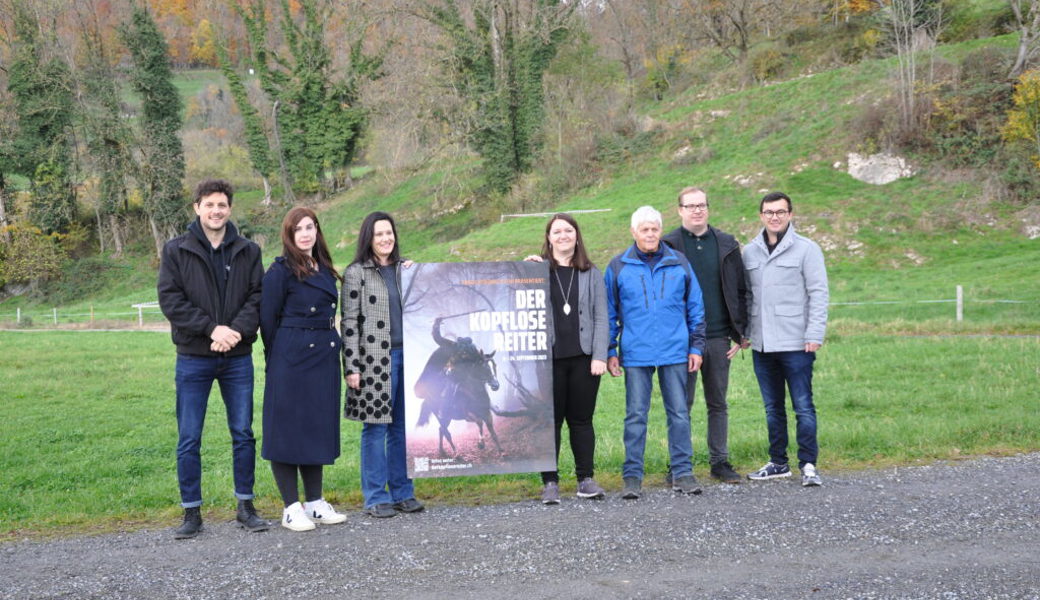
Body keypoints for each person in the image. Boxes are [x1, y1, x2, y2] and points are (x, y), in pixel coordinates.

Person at [157, 178, 268, 539]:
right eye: (209, 205)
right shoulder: (176, 250)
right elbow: (171, 301)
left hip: (237, 357)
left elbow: (258, 297)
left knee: (243, 433)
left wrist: (234, 330)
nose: (216, 211)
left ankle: (245, 506)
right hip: (194, 357)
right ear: (197, 208)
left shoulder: (248, 250)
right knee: (189, 437)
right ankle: (192, 513)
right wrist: (212, 330)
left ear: (230, 208)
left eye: (222, 205)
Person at [605, 206, 706, 499]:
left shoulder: (680, 263)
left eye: (655, 229)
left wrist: (696, 346)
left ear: (661, 231)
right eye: (644, 229)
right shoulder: (618, 266)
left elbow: (696, 307)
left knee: (679, 414)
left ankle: (683, 472)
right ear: (634, 232)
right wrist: (611, 349)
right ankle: (632, 476)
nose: (650, 234)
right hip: (636, 353)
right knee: (635, 415)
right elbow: (609, 312)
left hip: (676, 350)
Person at [260, 207, 348, 531]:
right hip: (291, 357)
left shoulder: (324, 268)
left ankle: (314, 503)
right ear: (289, 234)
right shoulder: (280, 271)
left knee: (315, 427)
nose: (305, 234)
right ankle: (290, 507)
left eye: (310, 227)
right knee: (286, 430)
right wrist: (281, 356)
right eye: (298, 229)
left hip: (323, 356)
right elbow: (267, 321)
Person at [662, 187, 749, 485]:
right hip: (681, 340)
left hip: (717, 338)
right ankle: (679, 465)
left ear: (708, 208)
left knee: (718, 403)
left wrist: (741, 332)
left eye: (702, 205)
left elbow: (740, 289)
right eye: (691, 206)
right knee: (681, 405)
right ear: (680, 210)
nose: (697, 210)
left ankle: (719, 462)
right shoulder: (668, 244)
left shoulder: (726, 243)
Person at [341, 211, 424, 518]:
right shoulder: (356, 273)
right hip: (374, 360)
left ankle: (403, 492)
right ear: (368, 238)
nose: (386, 239)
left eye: (389, 233)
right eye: (379, 234)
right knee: (375, 429)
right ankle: (376, 496)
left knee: (401, 429)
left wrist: (418, 273)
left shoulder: (405, 269)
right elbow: (349, 323)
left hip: (408, 357)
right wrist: (352, 366)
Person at [743, 191, 829, 487]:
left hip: (796, 343)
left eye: (780, 212)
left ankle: (808, 463)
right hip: (763, 344)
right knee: (772, 407)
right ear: (761, 215)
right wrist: (744, 334)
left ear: (790, 214)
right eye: (769, 212)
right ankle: (778, 462)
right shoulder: (749, 251)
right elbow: (747, 297)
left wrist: (814, 334)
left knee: (803, 405)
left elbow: (818, 293)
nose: (774, 217)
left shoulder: (807, 249)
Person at [524, 213, 610, 504]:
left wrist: (600, 355)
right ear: (548, 238)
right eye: (557, 231)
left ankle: (585, 479)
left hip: (584, 360)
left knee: (582, 421)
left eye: (568, 231)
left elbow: (602, 317)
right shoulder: (536, 272)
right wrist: (524, 270)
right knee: (550, 422)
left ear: (576, 235)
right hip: (548, 361)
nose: (563, 236)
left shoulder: (591, 273)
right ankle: (550, 482)